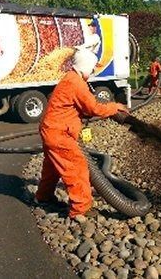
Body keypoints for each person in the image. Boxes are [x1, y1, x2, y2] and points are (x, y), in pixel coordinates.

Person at [36, 48, 128, 218]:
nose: (93, 71)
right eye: (92, 67)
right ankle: (80, 209)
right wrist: (115, 107)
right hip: (59, 133)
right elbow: (94, 108)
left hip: (51, 130)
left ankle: (43, 198)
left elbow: (79, 106)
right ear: (85, 66)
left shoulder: (71, 79)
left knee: (53, 168)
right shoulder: (76, 83)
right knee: (76, 167)